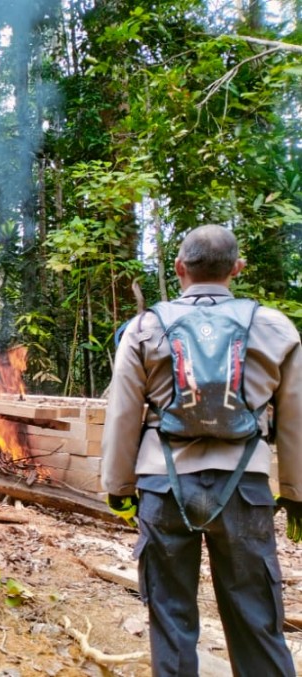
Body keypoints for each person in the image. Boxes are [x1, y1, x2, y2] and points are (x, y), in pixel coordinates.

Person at [101, 225, 302, 676]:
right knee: (256, 618)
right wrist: (294, 491)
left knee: (171, 618)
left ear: (178, 269)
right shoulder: (274, 327)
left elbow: (122, 414)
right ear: (237, 269)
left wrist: (118, 486)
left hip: (163, 485)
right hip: (245, 490)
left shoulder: (144, 327)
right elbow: (295, 419)